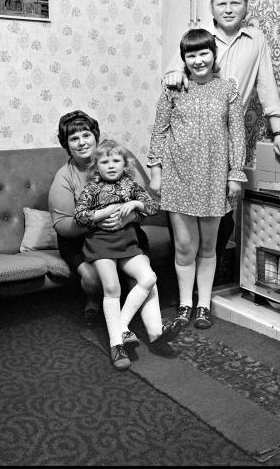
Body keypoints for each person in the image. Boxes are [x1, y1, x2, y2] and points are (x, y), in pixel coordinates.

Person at [162, 0, 280, 273]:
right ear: (211, 7)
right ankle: (183, 289)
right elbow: (173, 73)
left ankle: (207, 288)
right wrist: (173, 75)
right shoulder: (198, 37)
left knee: (222, 215)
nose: (228, 9)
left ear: (246, 6)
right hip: (187, 141)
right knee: (184, 222)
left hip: (226, 140)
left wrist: (278, 132)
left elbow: (266, 85)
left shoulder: (256, 40)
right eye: (222, 3)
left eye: (235, 2)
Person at [48, 111, 180, 368]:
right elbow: (65, 226)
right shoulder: (66, 178)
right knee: (101, 281)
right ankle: (107, 318)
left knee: (143, 276)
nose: (82, 141)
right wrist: (101, 218)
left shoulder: (119, 163)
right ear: (66, 144)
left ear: (96, 137)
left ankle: (154, 331)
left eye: (87, 135)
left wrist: (129, 217)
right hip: (84, 238)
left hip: (125, 234)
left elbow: (145, 203)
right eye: (74, 138)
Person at [148, 28, 247, 329]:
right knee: (184, 248)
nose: (198, 60)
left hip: (215, 178)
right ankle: (184, 305)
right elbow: (159, 130)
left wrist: (236, 174)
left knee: (208, 247)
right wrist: (155, 171)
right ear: (184, 59)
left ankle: (203, 304)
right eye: (191, 55)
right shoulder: (173, 88)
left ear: (214, 55)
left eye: (204, 53)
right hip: (178, 177)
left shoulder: (228, 88)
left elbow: (238, 135)